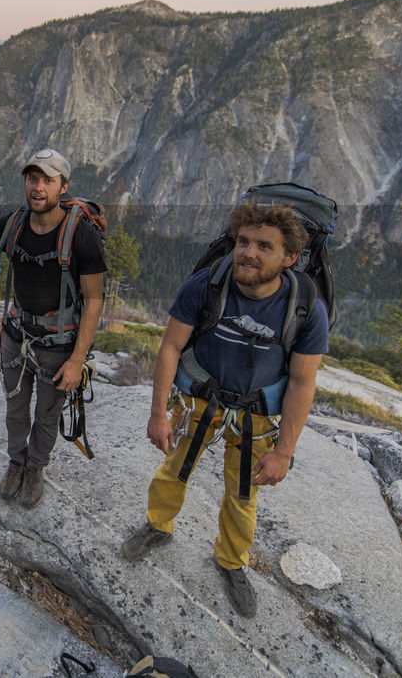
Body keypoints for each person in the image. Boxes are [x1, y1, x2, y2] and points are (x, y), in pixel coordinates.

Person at [119, 200, 327, 618]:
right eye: (243, 242)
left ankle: (232, 561)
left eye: (263, 246)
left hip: (256, 413)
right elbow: (171, 347)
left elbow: (303, 382)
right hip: (199, 397)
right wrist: (158, 413)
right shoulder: (206, 285)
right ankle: (158, 526)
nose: (248, 252)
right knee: (174, 468)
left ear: (289, 258)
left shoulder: (305, 309)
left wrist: (284, 451)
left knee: (243, 493)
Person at [0, 148, 106, 509]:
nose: (38, 187)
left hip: (58, 342)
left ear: (62, 187)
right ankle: (17, 461)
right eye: (32, 179)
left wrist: (77, 359)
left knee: (47, 413)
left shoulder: (80, 236)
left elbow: (94, 300)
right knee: (16, 407)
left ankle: (36, 467)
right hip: (16, 335)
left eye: (47, 181)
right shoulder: (14, 223)